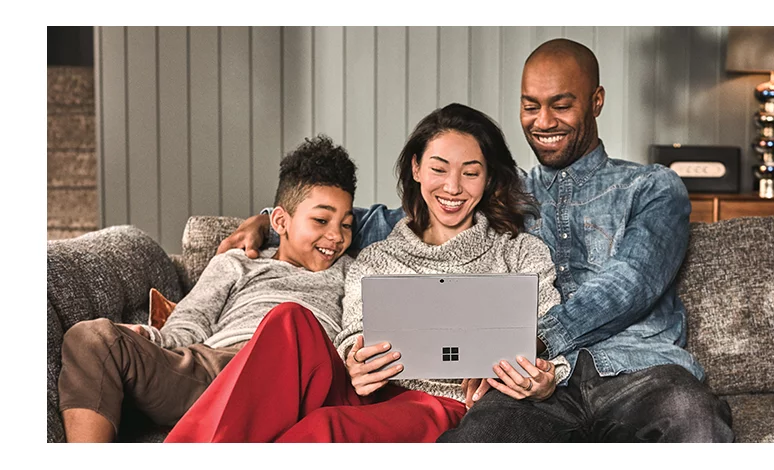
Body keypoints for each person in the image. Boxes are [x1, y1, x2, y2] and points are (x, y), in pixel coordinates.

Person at [219, 38, 734, 443]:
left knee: (693, 417)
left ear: (596, 101)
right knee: (472, 441)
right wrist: (271, 219)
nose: (544, 120)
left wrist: (538, 341)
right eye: (531, 105)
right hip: (522, 384)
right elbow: (400, 217)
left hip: (631, 370)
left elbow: (632, 282)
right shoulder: (508, 193)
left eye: (562, 105)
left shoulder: (652, 187)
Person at [163, 103, 571, 443]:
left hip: (440, 405)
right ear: (416, 168)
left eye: (470, 171)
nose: (453, 187)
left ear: (488, 178)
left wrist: (544, 376)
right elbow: (351, 332)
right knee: (289, 318)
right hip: (366, 390)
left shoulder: (521, 254)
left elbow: (555, 337)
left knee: (327, 426)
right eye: (439, 168)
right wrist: (355, 356)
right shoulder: (376, 258)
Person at [57, 135, 357, 442]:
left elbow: (354, 335)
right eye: (321, 220)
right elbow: (192, 321)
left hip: (294, 380)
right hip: (216, 371)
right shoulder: (237, 263)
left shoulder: (353, 272)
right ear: (280, 220)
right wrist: (151, 337)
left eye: (346, 224)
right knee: (91, 337)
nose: (336, 236)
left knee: (289, 320)